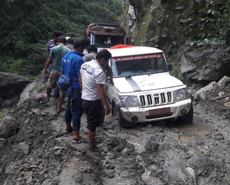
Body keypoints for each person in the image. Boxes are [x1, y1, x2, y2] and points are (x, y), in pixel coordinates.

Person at [80, 49, 112, 151]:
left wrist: (83, 91)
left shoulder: (85, 65)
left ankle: (92, 141)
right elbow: (100, 89)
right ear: (103, 60)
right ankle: (92, 146)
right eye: (107, 61)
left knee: (90, 120)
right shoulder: (99, 71)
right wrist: (106, 105)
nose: (107, 64)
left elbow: (80, 79)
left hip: (85, 98)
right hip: (93, 100)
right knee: (91, 124)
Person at [61, 40, 86, 143]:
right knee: (77, 110)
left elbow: (62, 71)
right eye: (83, 48)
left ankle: (68, 128)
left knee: (68, 106)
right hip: (76, 87)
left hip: (67, 85)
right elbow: (81, 77)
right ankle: (76, 137)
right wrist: (83, 89)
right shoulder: (78, 59)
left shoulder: (66, 56)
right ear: (80, 48)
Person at [42, 36, 70, 112]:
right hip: (63, 71)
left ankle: (47, 96)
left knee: (50, 84)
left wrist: (45, 69)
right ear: (65, 42)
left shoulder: (54, 49)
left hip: (54, 69)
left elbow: (49, 60)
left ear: (58, 41)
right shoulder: (68, 50)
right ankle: (59, 107)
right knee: (62, 89)